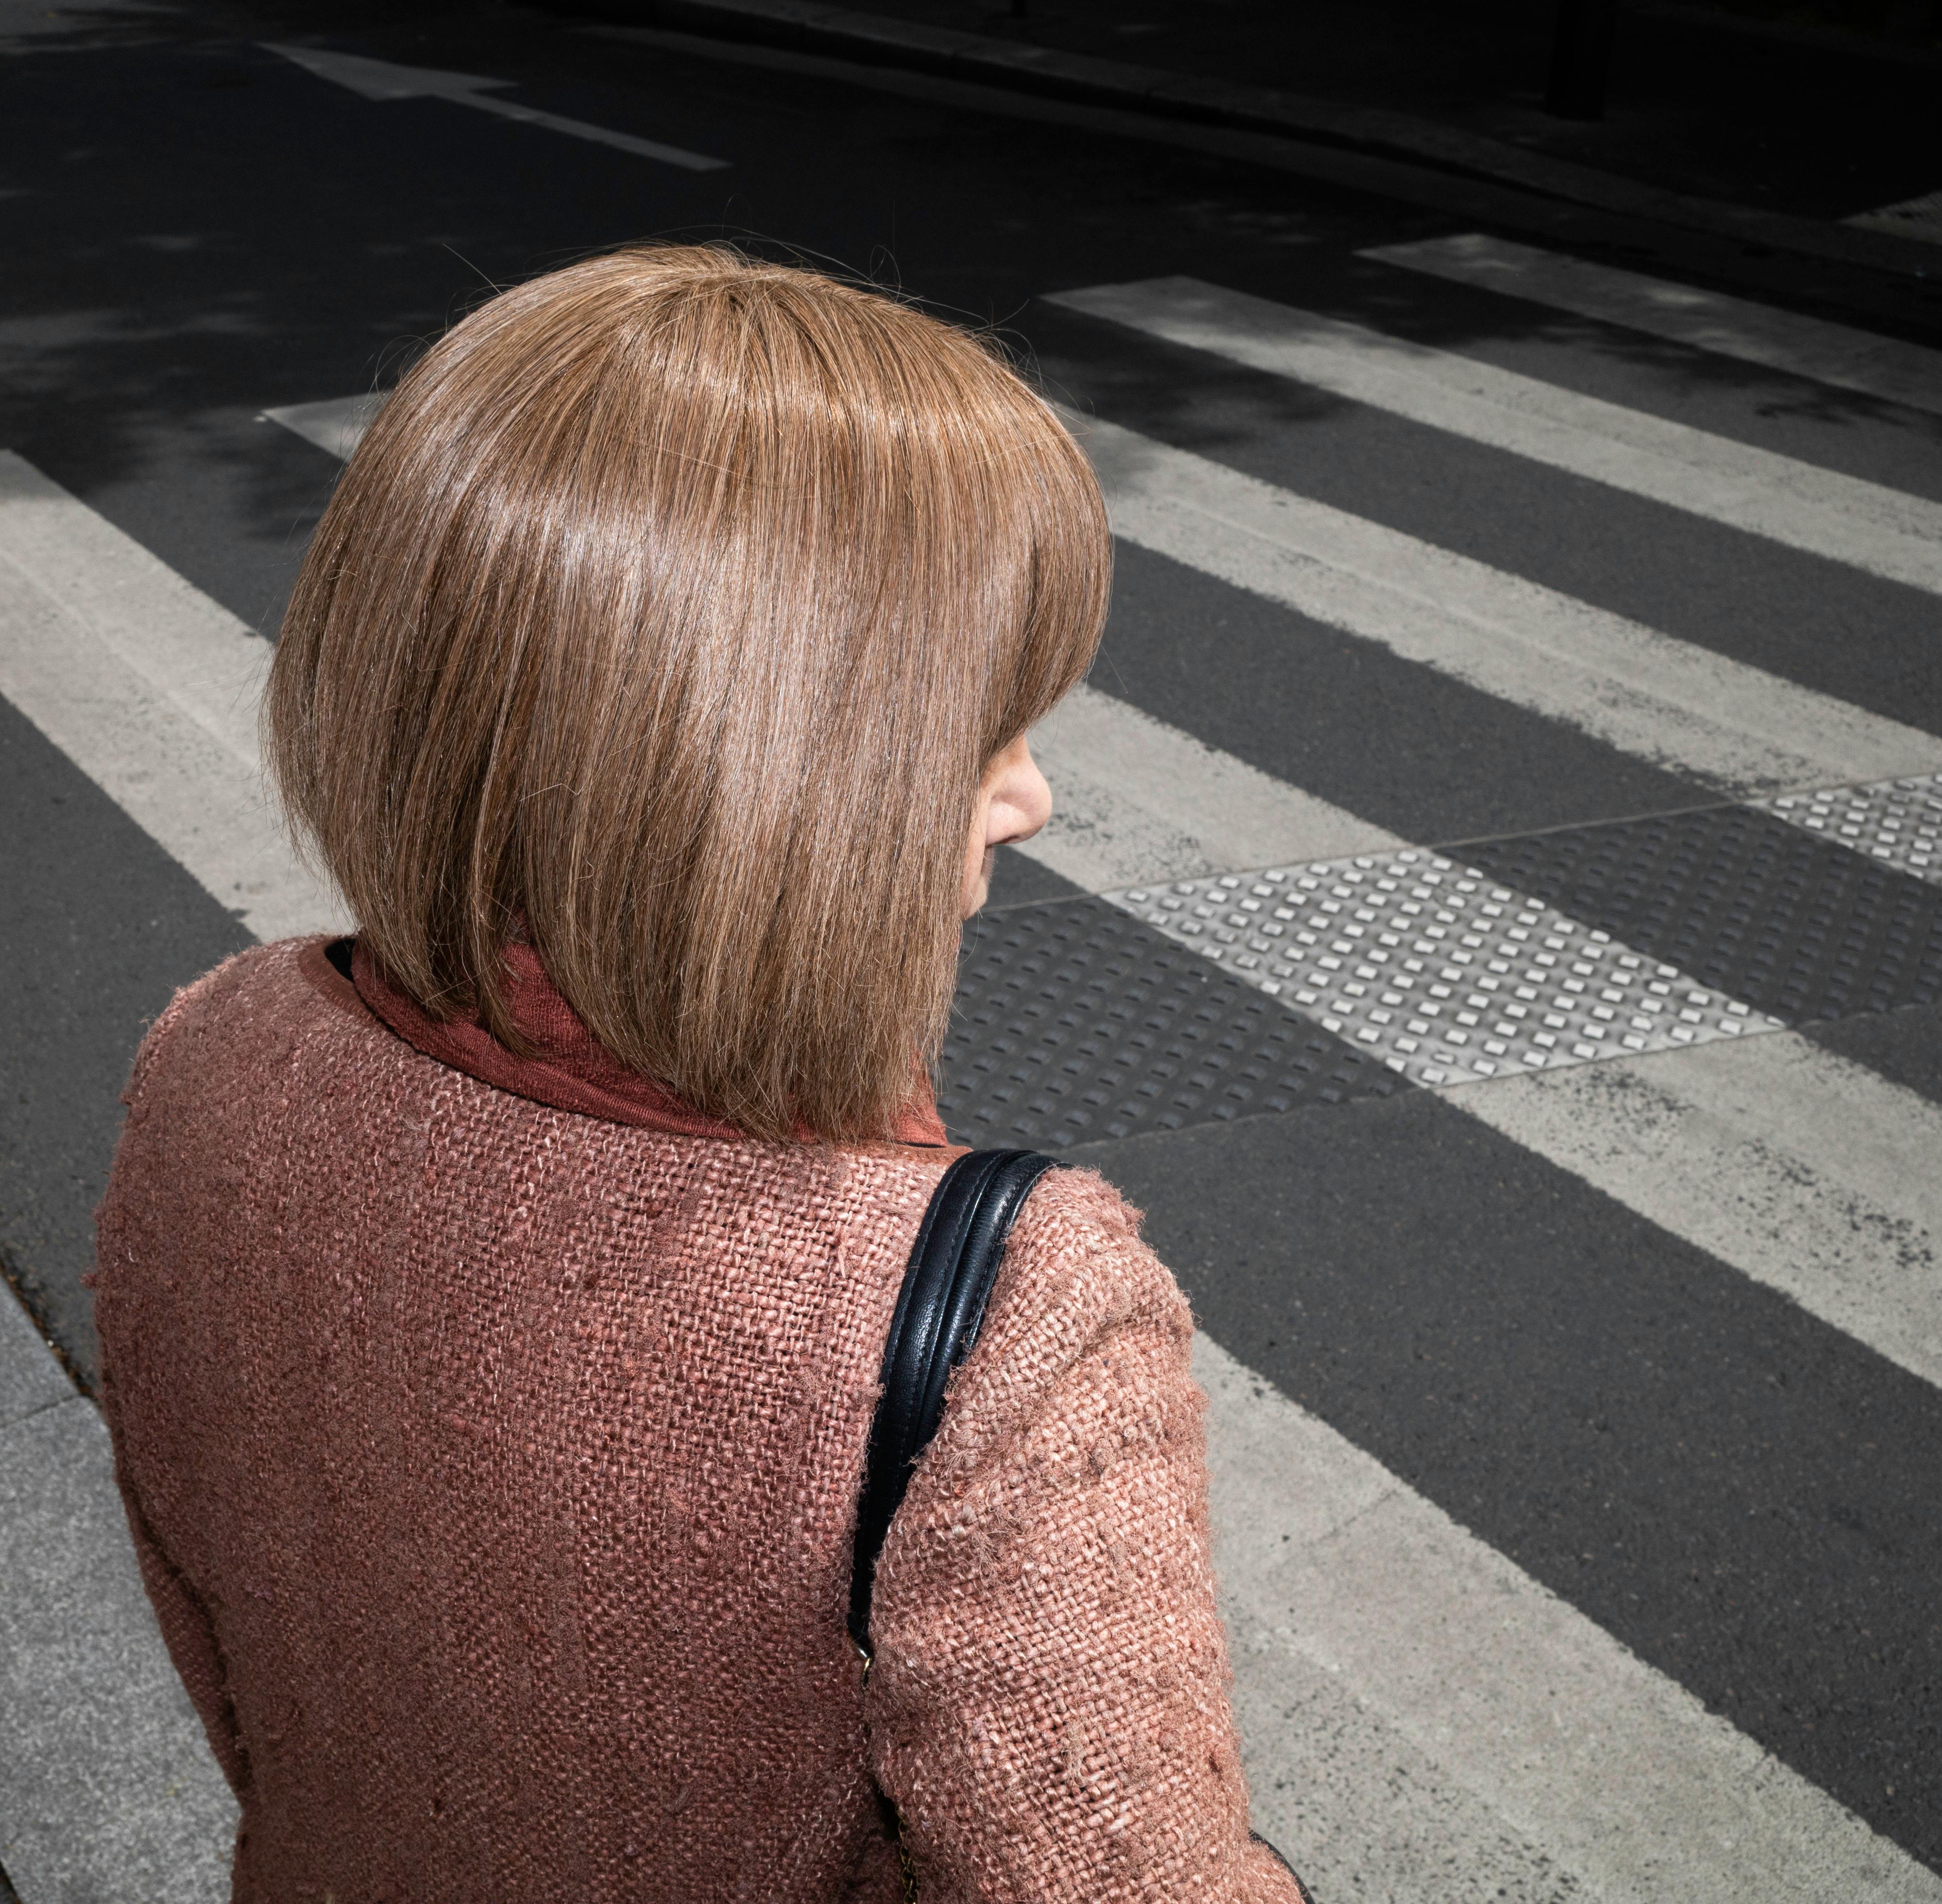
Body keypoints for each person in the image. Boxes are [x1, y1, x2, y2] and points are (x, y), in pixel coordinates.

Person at [94, 244, 1305, 1903]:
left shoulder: (218, 1047)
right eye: (982, 732)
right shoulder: (1003, 1313)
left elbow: (222, 1633)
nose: (1031, 799)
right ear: (774, 789)